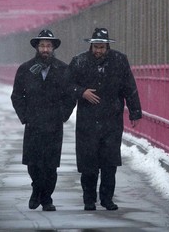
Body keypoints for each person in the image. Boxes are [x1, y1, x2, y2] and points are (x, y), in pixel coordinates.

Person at [65, 27, 142, 211]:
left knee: (109, 162)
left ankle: (107, 199)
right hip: (87, 122)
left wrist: (135, 112)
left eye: (102, 47)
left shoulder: (119, 61)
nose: (98, 50)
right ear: (91, 46)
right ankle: (89, 200)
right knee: (88, 163)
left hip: (112, 120)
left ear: (107, 46)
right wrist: (81, 92)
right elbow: (66, 85)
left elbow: (129, 87)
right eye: (95, 47)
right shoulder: (79, 62)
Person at [11, 29, 72, 211]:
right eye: (42, 45)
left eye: (48, 46)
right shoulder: (25, 69)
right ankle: (36, 188)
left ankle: (46, 199)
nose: (45, 49)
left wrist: (62, 115)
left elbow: (70, 96)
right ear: (37, 47)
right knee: (33, 163)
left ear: (53, 48)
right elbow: (16, 96)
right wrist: (25, 117)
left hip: (54, 124)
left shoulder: (63, 69)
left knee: (51, 165)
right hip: (34, 123)